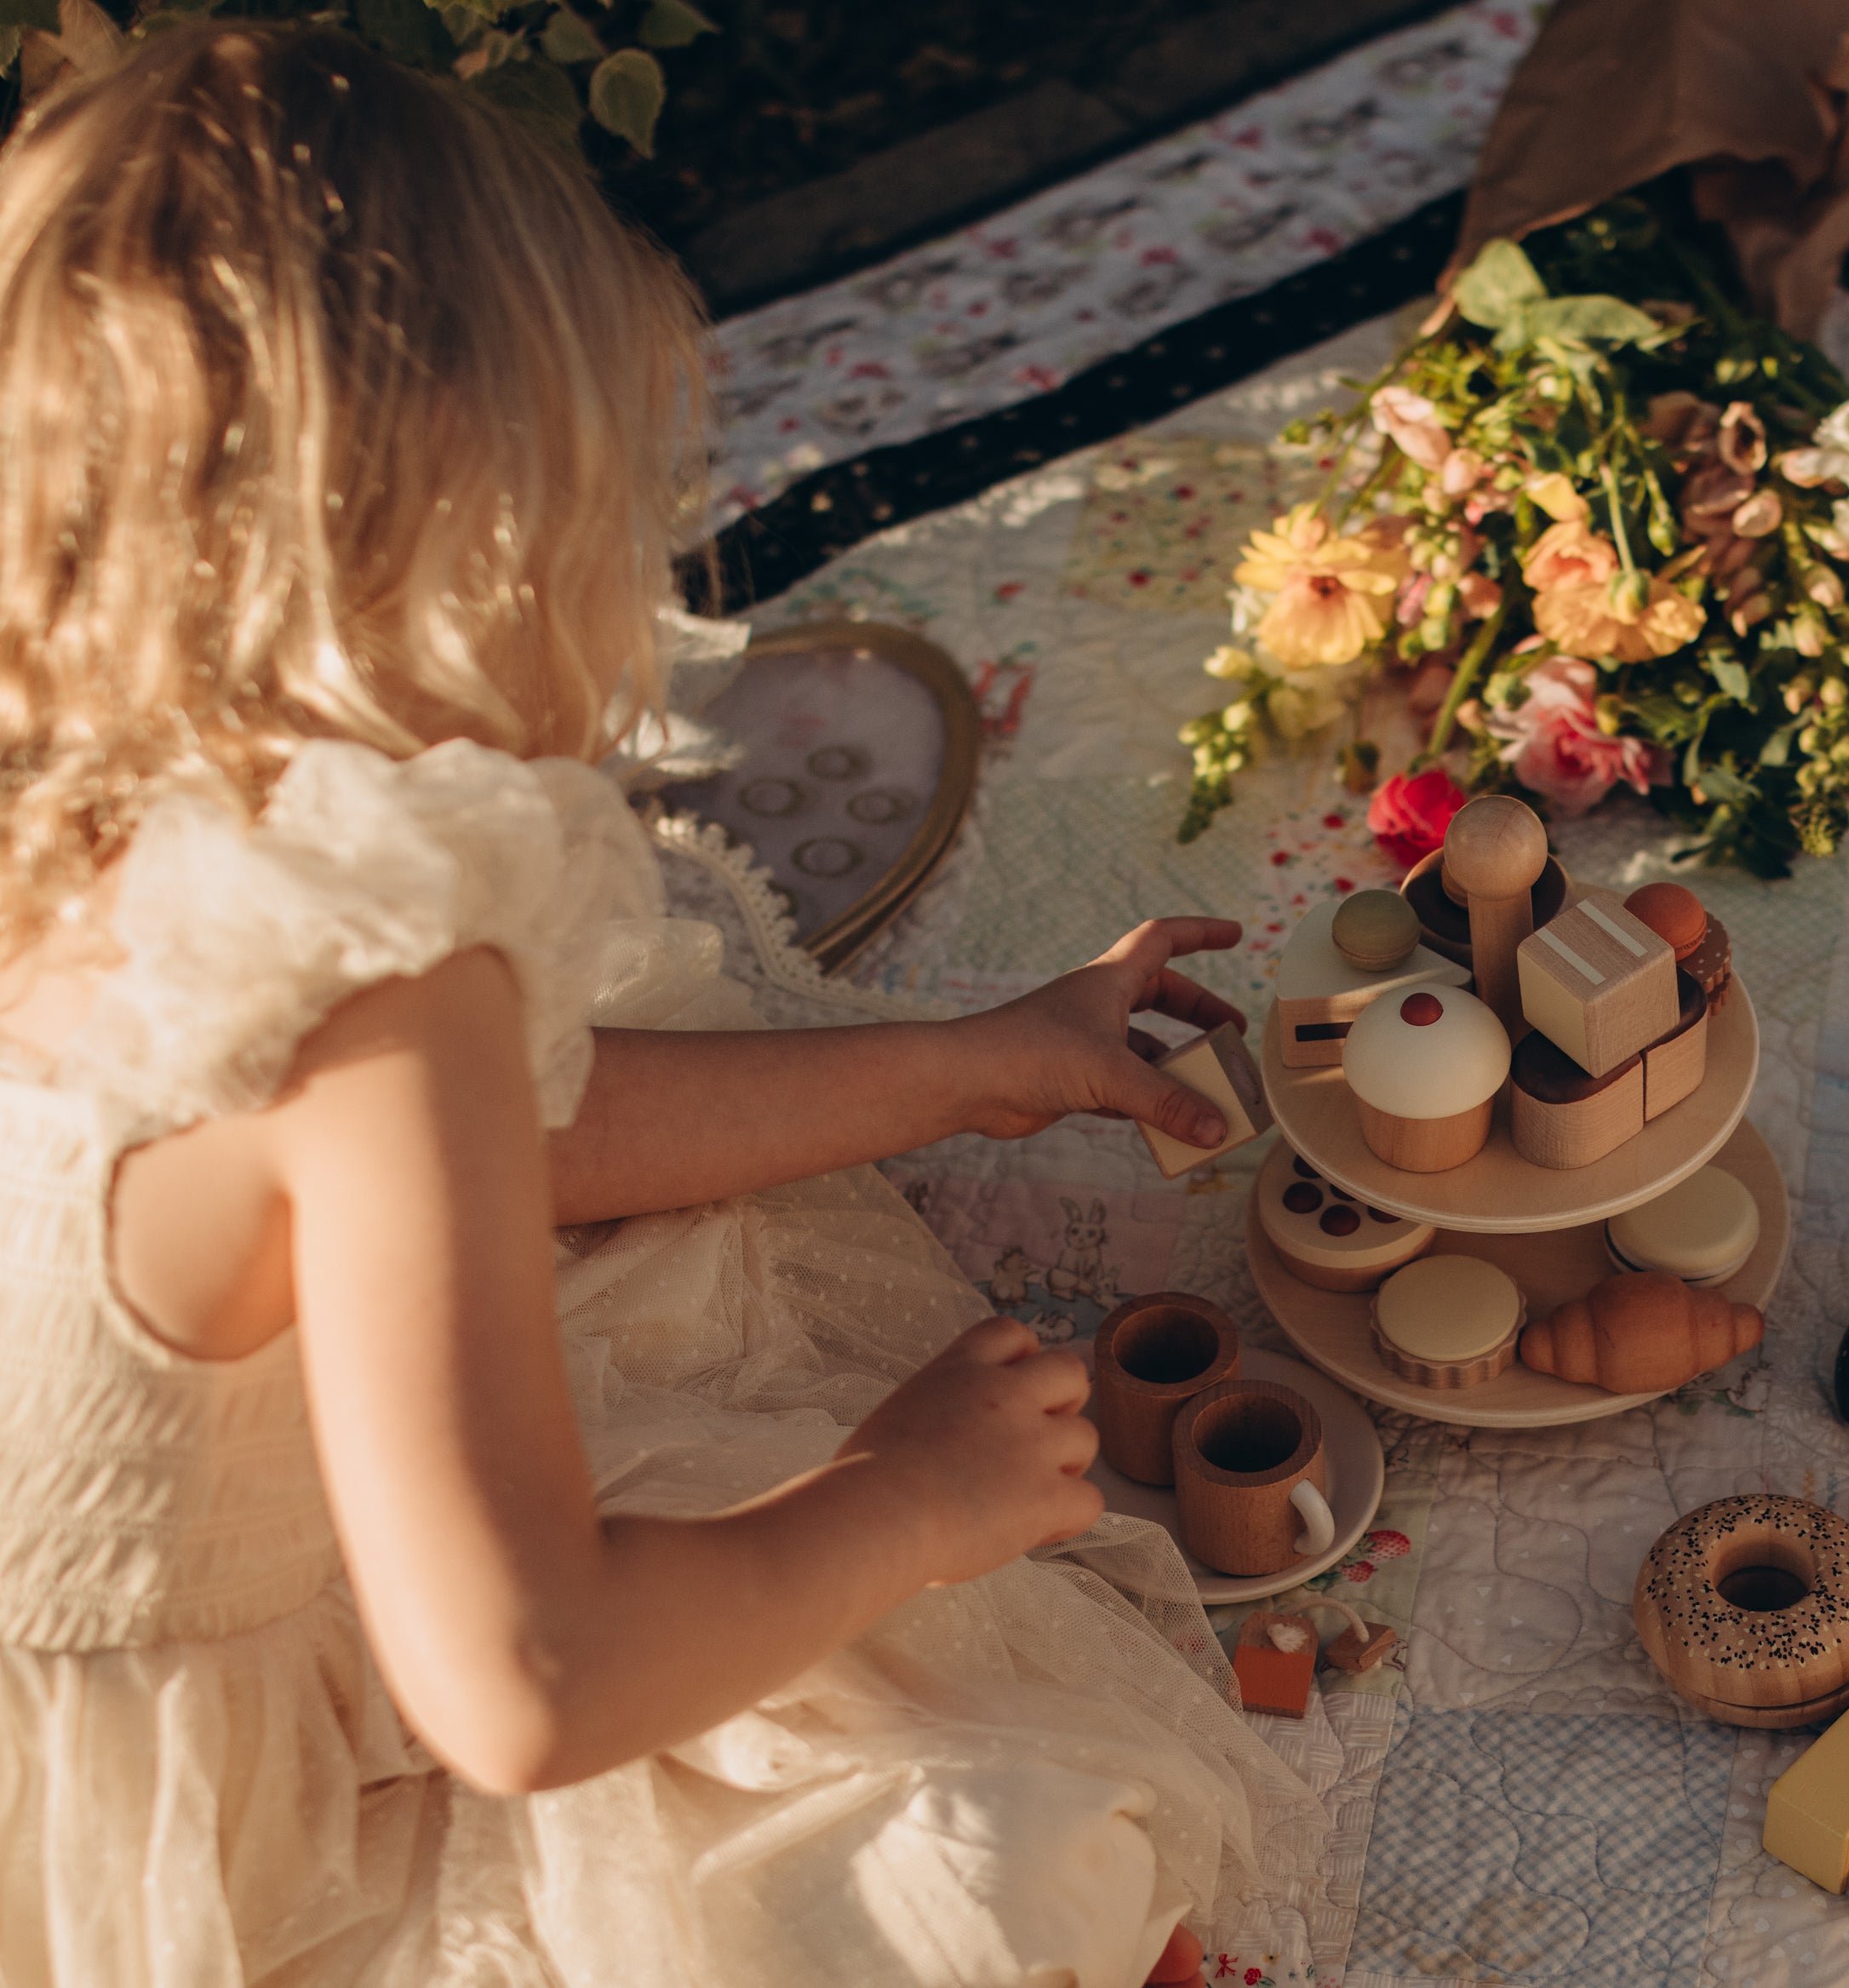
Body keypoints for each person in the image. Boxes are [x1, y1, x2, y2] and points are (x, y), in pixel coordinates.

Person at [0, 25, 1316, 1985]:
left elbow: (534, 1136)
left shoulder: (89, 807)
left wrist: (969, 1066)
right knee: (987, 1858)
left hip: (103, 1612)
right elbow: (529, 1687)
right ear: (476, 532)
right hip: (178, 1819)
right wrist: (902, 1502)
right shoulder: (367, 981)